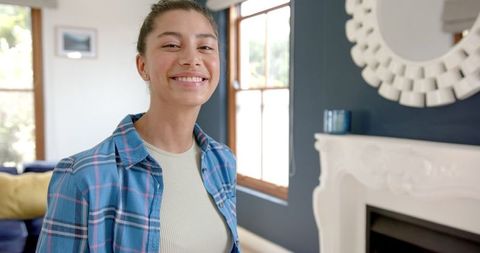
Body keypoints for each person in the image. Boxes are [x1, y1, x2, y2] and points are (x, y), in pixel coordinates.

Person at [36, 0, 240, 252]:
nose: (192, 58)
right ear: (142, 66)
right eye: (172, 45)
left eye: (205, 46)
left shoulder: (223, 161)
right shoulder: (82, 176)